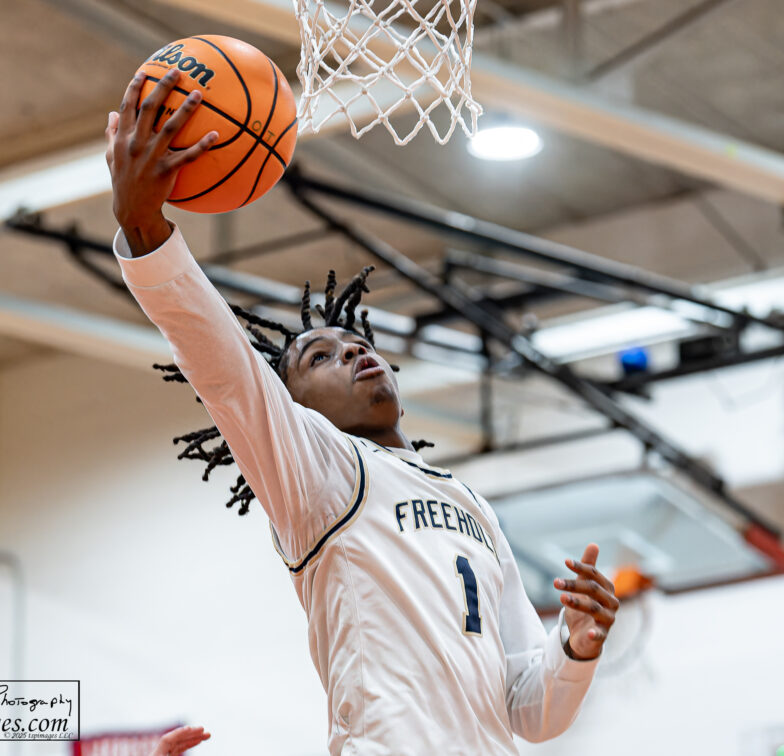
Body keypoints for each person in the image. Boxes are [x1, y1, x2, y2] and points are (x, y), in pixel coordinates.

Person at [106, 69, 619, 755]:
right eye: (320, 358)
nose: (353, 354)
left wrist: (576, 649)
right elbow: (227, 372)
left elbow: (532, 711)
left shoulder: (470, 504)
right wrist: (147, 230)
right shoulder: (319, 473)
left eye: (357, 343)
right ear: (291, 409)